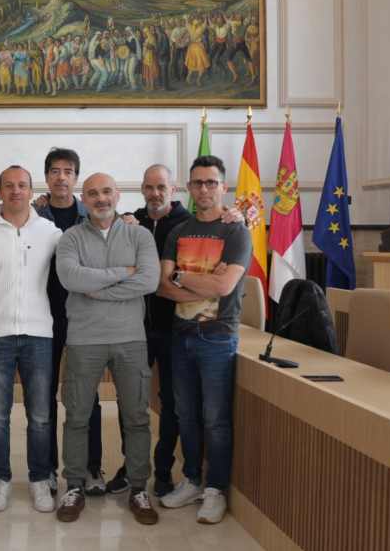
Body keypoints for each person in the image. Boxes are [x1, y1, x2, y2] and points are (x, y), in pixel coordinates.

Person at [54, 174, 160, 526]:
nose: (101, 199)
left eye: (107, 192)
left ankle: (138, 487)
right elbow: (71, 279)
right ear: (84, 198)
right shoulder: (70, 238)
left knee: (137, 416)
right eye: (93, 193)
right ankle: (74, 485)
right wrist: (121, 274)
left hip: (131, 338)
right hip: (84, 339)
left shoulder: (139, 234)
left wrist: (98, 288)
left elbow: (148, 280)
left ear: (117, 195)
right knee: (78, 415)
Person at [156, 155, 251, 525]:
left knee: (215, 419)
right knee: (186, 415)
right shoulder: (179, 232)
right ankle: (192, 479)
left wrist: (182, 275)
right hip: (180, 338)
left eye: (211, 183)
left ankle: (215, 489)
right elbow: (163, 287)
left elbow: (226, 286)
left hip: (217, 339)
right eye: (197, 183)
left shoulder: (235, 232)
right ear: (190, 188)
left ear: (223, 187)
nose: (204, 189)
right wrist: (200, 283)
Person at [0, 166, 61, 513]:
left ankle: (39, 480)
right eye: (9, 185)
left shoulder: (50, 231)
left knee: (39, 415)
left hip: (39, 335)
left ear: (31, 190)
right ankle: (0, 480)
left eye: (22, 185)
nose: (16, 191)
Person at [34, 148, 113, 494]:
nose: (61, 177)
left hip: (85, 317)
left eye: (68, 171)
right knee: (43, 397)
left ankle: (91, 468)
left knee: (86, 396)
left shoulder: (95, 216)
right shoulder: (33, 216)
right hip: (44, 317)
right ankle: (48, 469)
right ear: (47, 177)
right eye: (55, 171)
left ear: (76, 179)